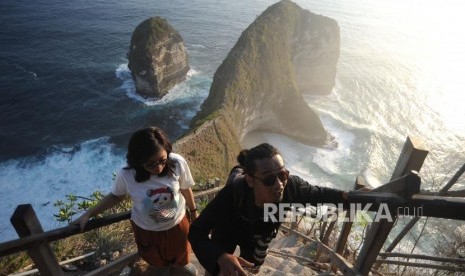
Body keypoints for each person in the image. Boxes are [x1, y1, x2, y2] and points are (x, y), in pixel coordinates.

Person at [188, 143, 349, 276]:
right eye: (269, 179)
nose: (279, 184)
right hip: (228, 227)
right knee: (219, 270)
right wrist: (219, 256)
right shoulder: (232, 194)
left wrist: (349, 197)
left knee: (251, 267)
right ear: (250, 180)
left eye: (283, 175)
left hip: (260, 232)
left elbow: (319, 194)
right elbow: (196, 231)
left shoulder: (291, 187)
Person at [72, 127, 198, 275]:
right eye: (150, 164)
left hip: (177, 225)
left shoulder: (176, 163)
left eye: (162, 160)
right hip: (148, 231)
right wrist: (89, 214)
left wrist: (194, 211)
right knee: (156, 262)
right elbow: (116, 196)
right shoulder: (127, 174)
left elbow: (185, 188)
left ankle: (181, 267)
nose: (158, 168)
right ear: (138, 161)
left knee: (182, 255)